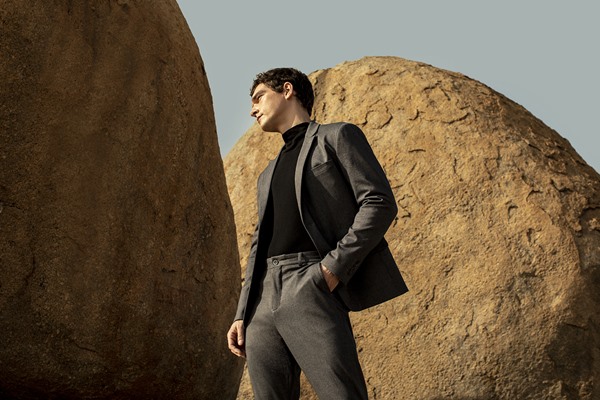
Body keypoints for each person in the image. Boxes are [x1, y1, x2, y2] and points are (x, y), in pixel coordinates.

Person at [227, 67, 408, 399]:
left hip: (309, 281)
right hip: (264, 300)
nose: (253, 109)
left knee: (341, 394)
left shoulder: (337, 136)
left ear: (287, 90)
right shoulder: (267, 173)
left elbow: (378, 202)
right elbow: (258, 245)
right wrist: (244, 312)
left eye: (258, 98)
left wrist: (332, 269)